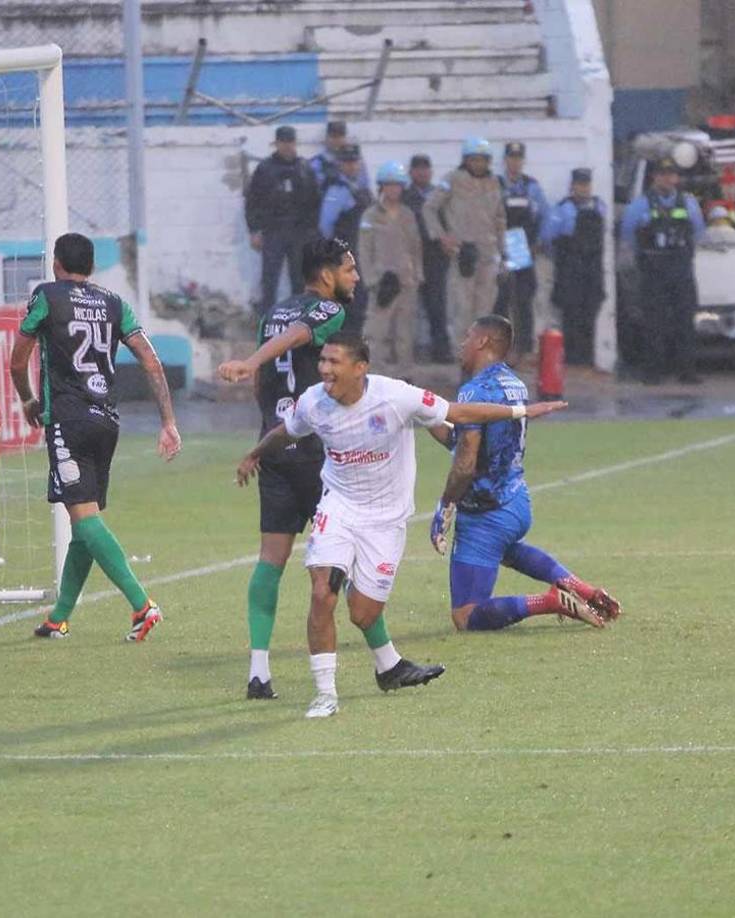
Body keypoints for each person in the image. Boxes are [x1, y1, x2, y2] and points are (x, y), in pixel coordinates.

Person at [234, 330, 569, 718]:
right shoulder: (313, 402)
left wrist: (521, 411)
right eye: (322, 361)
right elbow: (286, 431)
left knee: (363, 613)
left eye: (333, 362)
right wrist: (253, 455)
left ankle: (388, 667)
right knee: (322, 590)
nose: (324, 369)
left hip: (386, 518)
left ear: (360, 368)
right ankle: (325, 694)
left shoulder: (395, 397)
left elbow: (456, 412)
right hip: (338, 506)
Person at [10, 233, 182, 642]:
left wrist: (28, 400)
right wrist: (168, 421)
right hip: (107, 421)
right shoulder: (113, 302)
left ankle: (142, 605)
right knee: (84, 519)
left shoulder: (47, 296)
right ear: (90, 267)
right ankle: (59, 618)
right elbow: (150, 360)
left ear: (56, 264)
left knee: (84, 519)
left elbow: (17, 361)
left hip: (67, 419)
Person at [215, 238, 353, 700]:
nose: (355, 278)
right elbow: (294, 339)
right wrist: (252, 360)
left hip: (275, 447)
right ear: (327, 274)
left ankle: (258, 672)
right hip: (315, 450)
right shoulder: (330, 313)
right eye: (349, 270)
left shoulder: (271, 312)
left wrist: (262, 439)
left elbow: (264, 380)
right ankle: (386, 659)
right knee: (345, 554)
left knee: (270, 559)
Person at [428, 315, 621, 632]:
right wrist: (425, 414)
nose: (462, 344)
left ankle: (551, 601)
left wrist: (446, 504)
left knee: (465, 616)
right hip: (516, 502)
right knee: (502, 549)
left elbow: (466, 463)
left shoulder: (474, 392)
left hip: (485, 514)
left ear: (482, 342)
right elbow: (465, 440)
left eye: (467, 337)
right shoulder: (515, 385)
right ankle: (583, 589)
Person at [620, 157, 706, 385]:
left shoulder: (688, 203)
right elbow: (629, 234)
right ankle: (653, 371)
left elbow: (698, 232)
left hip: (681, 269)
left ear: (676, 178)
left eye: (671, 174)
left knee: (685, 322)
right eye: (663, 174)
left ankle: (686, 371)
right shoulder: (640, 205)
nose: (667, 179)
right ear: (655, 177)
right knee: (653, 323)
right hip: (653, 270)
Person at [422, 136, 506, 346]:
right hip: (463, 255)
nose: (479, 164)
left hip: (488, 255)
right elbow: (429, 208)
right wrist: (442, 236)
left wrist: (505, 254)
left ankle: (481, 360)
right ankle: (464, 361)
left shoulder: (494, 182)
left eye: (483, 160)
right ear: (466, 160)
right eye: (474, 159)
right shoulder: (452, 179)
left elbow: (500, 218)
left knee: (485, 312)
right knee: (463, 310)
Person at [244, 124, 321, 313]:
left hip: (299, 232)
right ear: (276, 143)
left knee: (299, 281)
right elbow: (252, 202)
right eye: (283, 142)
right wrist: (254, 230)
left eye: (291, 142)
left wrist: (312, 233)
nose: (287, 146)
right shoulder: (265, 169)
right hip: (273, 231)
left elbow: (315, 201)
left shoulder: (304, 168)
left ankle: (298, 325)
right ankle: (267, 324)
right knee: (270, 280)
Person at [359, 160, 423, 377]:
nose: (393, 189)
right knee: (376, 332)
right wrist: (370, 280)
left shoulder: (408, 215)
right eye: (389, 184)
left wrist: (417, 275)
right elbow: (364, 250)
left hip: (406, 281)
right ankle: (376, 374)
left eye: (397, 185)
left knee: (405, 333)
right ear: (381, 186)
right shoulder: (370, 215)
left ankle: (405, 375)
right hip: (381, 283)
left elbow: (416, 247)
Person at [541, 167, 607, 367]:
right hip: (570, 269)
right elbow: (548, 237)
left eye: (586, 184)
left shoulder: (599, 206)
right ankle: (571, 360)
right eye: (579, 184)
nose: (583, 188)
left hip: (592, 270)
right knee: (570, 316)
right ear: (572, 186)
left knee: (589, 315)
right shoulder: (562, 209)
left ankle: (587, 360)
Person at [494, 141, 549, 355]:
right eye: (511, 158)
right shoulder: (495, 184)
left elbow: (545, 215)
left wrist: (539, 242)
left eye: (518, 159)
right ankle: (499, 346)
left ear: (522, 161)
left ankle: (524, 345)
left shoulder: (531, 186)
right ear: (505, 160)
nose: (514, 163)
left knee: (524, 298)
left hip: (522, 246)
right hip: (501, 246)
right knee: (500, 297)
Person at [402, 153, 453, 363]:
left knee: (437, 306)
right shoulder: (403, 195)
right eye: (418, 168)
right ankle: (406, 352)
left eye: (426, 168)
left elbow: (450, 222)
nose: (422, 172)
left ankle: (440, 351)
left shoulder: (438, 195)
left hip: (434, 257)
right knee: (407, 306)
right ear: (411, 172)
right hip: (410, 256)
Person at [318, 144, 373, 331]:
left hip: (363, 252)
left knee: (361, 300)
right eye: (347, 162)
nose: (351, 166)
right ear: (340, 164)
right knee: (348, 301)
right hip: (346, 254)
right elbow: (325, 225)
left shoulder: (362, 186)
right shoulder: (337, 190)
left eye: (354, 162)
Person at [309, 120, 370, 194]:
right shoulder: (317, 163)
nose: (337, 140)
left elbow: (364, 184)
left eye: (341, 136)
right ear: (327, 138)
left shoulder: (356, 159)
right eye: (334, 137)